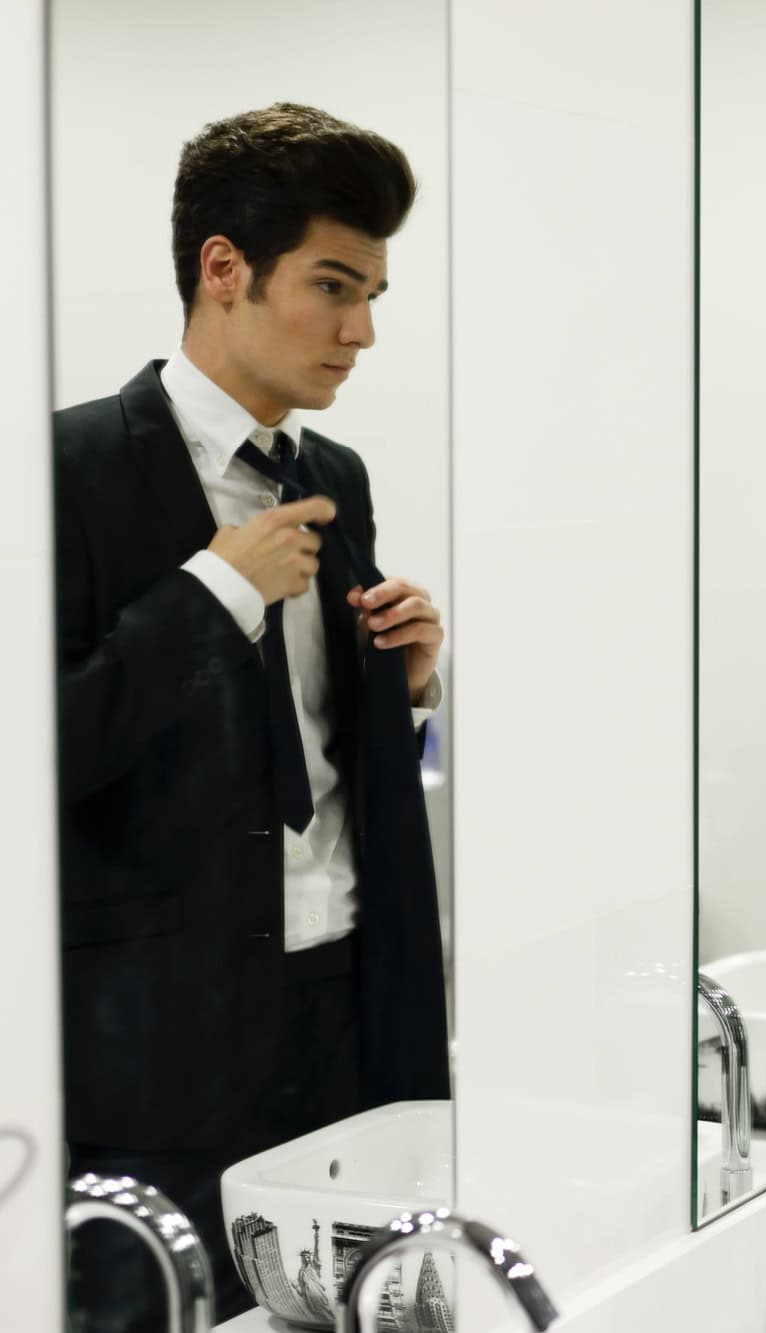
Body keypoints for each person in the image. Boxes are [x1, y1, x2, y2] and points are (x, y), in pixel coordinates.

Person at [54, 103, 450, 1328]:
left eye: (371, 294)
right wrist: (212, 594)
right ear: (223, 268)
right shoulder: (60, 472)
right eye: (333, 286)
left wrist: (404, 685)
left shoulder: (335, 478)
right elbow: (34, 753)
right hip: (149, 1050)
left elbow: (309, 749)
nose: (361, 331)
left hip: (343, 1008)